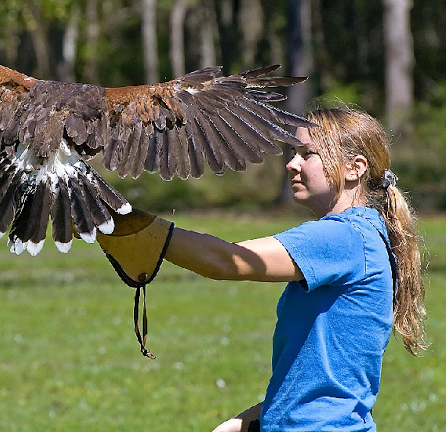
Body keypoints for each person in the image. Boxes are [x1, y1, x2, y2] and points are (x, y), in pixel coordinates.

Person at [97, 106, 427, 432]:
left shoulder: (344, 237)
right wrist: (245, 422)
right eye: (293, 151)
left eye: (307, 154)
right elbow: (318, 379)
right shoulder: (364, 234)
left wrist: (133, 226)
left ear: (353, 168)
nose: (292, 163)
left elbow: (227, 261)